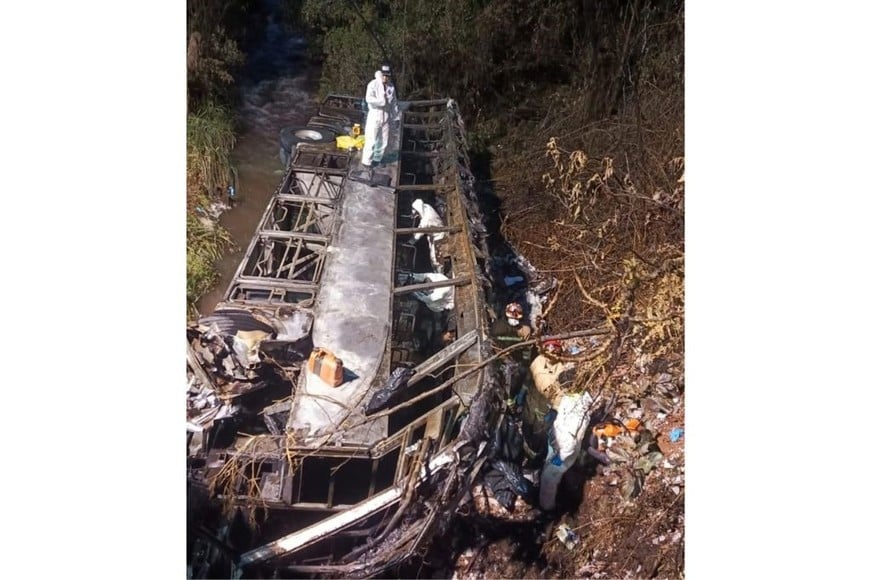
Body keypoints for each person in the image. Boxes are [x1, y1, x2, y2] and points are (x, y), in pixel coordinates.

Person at [361, 65, 392, 175]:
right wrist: (381, 101)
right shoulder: (373, 84)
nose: (385, 78)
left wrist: (396, 117)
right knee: (371, 139)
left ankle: (377, 159)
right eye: (384, 75)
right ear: (381, 75)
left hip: (386, 116)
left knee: (384, 140)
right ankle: (366, 162)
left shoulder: (390, 87)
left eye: (388, 76)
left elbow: (394, 102)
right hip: (375, 115)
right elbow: (368, 98)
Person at [411, 198, 446, 271]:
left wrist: (410, 242)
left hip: (438, 236)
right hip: (434, 231)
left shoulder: (426, 221)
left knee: (435, 257)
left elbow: (418, 235)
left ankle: (440, 272)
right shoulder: (426, 206)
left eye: (416, 211)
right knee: (433, 252)